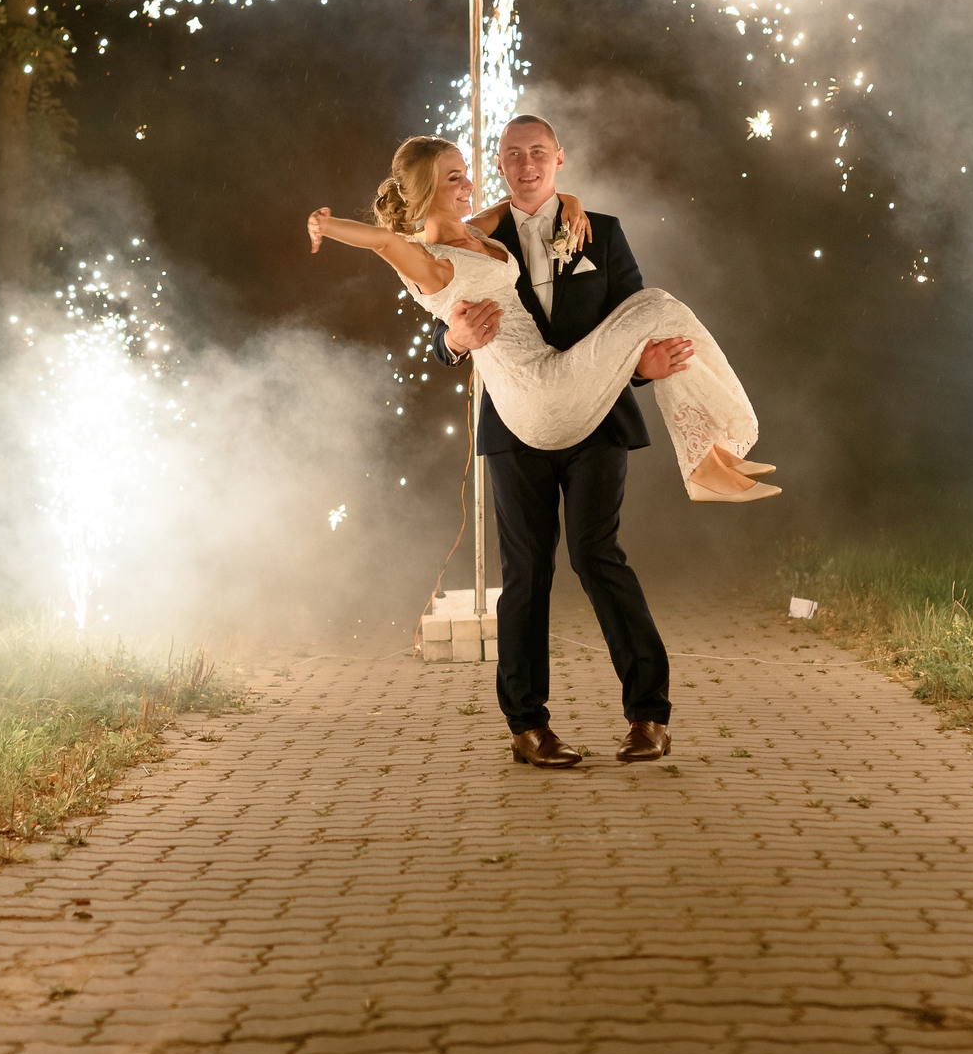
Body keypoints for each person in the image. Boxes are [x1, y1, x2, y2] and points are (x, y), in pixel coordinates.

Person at [306, 123, 775, 769]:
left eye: (538, 154)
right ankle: (529, 726)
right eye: (509, 157)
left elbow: (628, 323)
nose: (522, 166)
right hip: (518, 420)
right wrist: (458, 341)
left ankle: (648, 715)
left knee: (598, 557)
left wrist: (646, 369)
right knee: (527, 575)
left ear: (560, 160)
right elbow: (436, 319)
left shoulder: (598, 230)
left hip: (597, 416)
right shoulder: (477, 234)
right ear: (500, 164)